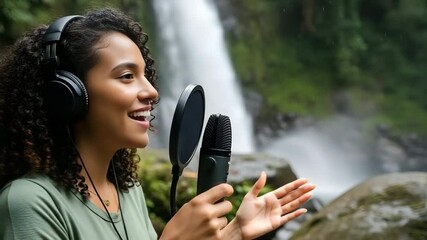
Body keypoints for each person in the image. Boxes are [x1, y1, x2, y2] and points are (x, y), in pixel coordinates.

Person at [0, 7, 315, 240]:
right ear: (67, 94)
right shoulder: (29, 203)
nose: (151, 92)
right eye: (126, 76)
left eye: (145, 76)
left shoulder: (127, 190)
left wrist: (234, 233)